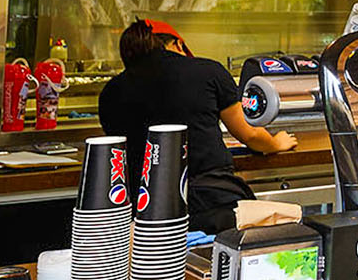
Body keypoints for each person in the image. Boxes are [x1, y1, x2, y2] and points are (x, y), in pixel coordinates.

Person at [99, 19, 296, 233]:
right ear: (177, 44)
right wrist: (276, 143)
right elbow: (249, 135)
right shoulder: (207, 71)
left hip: (146, 211)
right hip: (212, 202)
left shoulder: (110, 93)